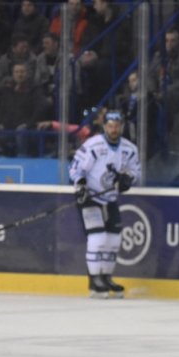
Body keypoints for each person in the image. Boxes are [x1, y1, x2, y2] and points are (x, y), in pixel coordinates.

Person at [68, 110, 142, 298]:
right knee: (98, 237)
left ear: (122, 127)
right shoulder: (93, 146)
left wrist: (128, 179)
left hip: (110, 198)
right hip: (90, 196)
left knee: (114, 239)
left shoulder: (130, 149)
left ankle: (106, 277)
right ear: (104, 127)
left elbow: (136, 172)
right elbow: (75, 169)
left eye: (117, 126)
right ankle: (95, 280)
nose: (113, 129)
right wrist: (81, 185)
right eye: (110, 126)